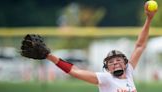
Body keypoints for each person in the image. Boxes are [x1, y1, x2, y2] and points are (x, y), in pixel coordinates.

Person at [20, 2, 157, 92]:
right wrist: (49, 56)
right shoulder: (106, 79)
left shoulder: (129, 73)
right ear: (107, 68)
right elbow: (75, 71)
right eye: (111, 62)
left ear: (125, 63)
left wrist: (149, 19)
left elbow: (140, 46)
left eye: (118, 60)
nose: (115, 62)